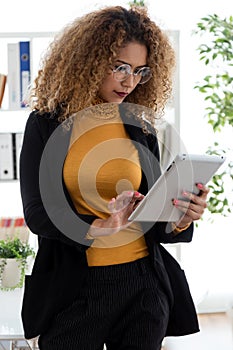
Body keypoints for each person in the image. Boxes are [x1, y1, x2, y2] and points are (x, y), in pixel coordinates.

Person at [19, 5, 209, 350]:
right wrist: (97, 226)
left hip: (142, 285)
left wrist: (181, 216)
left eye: (139, 71)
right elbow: (37, 213)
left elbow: (151, 215)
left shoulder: (139, 124)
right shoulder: (46, 123)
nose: (129, 81)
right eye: (119, 67)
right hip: (75, 288)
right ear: (88, 62)